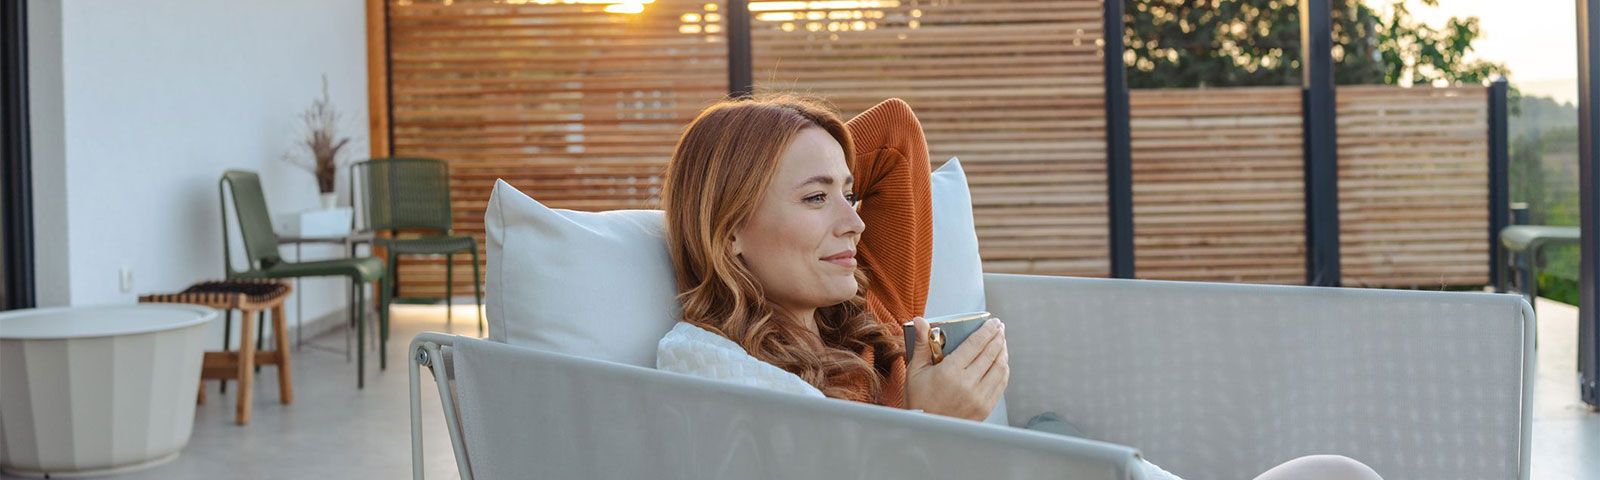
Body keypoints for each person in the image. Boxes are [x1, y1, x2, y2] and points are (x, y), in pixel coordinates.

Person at [655, 94, 1382, 480]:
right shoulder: (708, 364)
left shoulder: (872, 310)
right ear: (730, 231)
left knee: (1337, 472)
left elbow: (895, 133)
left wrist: (792, 145)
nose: (856, 221)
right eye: (818, 199)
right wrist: (924, 422)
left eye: (849, 193)